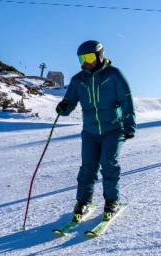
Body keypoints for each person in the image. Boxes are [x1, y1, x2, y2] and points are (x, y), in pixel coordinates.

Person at [55, 40, 136, 222]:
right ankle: (83, 202)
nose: (86, 61)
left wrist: (129, 125)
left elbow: (126, 101)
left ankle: (111, 201)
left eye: (89, 57)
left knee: (108, 163)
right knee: (88, 168)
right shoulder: (78, 80)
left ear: (100, 56)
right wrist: (63, 107)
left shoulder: (114, 75)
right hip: (90, 132)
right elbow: (69, 102)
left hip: (114, 129)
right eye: (82, 58)